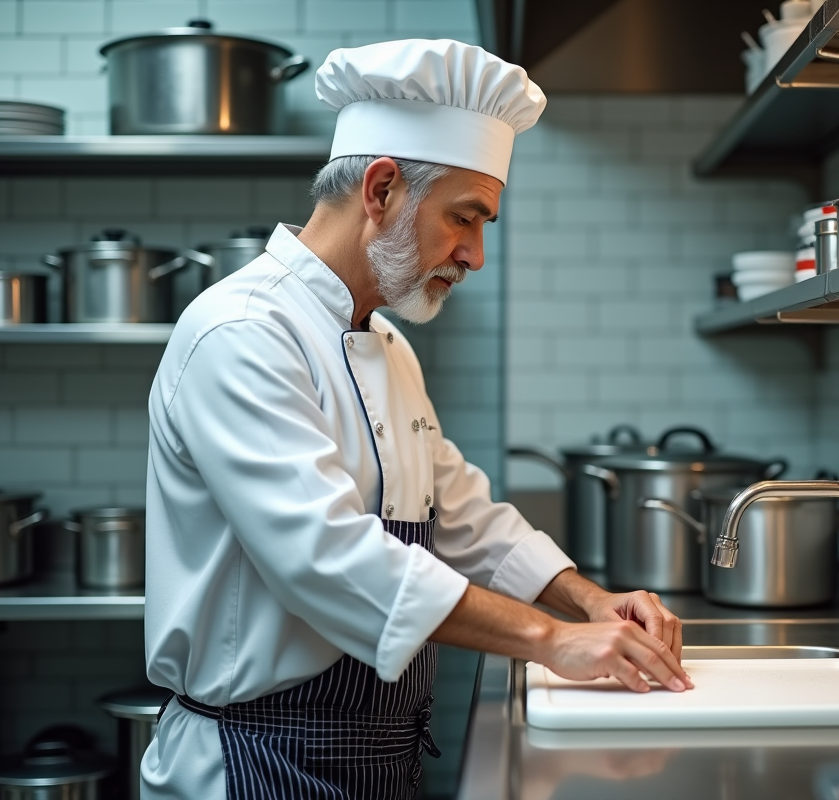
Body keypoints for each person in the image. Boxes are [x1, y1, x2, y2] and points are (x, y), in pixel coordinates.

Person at [141, 39, 691, 800]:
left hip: (375, 755)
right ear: (381, 189)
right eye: (465, 219)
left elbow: (462, 515)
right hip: (253, 760)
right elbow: (323, 556)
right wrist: (552, 641)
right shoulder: (242, 332)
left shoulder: (388, 343)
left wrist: (588, 599)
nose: (475, 255)